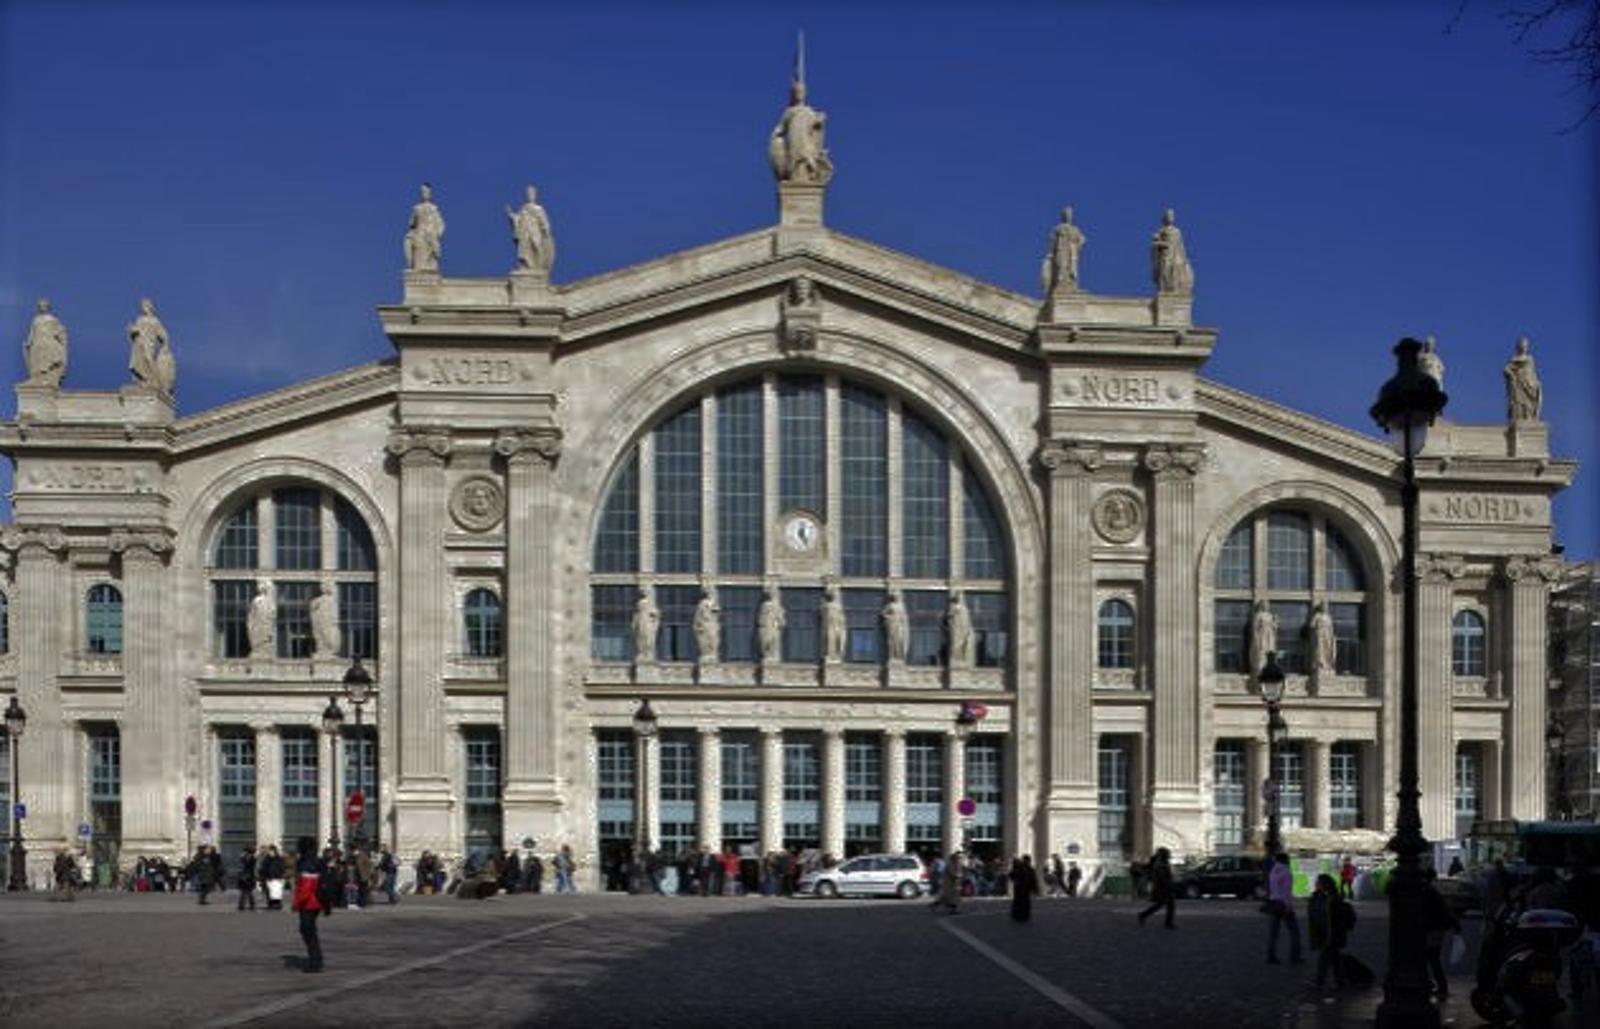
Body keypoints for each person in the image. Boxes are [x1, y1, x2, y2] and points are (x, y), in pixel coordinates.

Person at [1308, 873, 1355, 997]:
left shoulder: (1334, 899)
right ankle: (1340, 981)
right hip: (1325, 933)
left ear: (1325, 884)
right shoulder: (1319, 897)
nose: (1316, 884)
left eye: (1319, 882)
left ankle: (1320, 982)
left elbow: (1337, 920)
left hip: (1332, 934)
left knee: (1325, 957)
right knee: (1335, 958)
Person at [291, 837, 329, 973]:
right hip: (318, 900)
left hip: (308, 901)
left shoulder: (304, 862)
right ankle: (316, 958)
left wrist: (297, 903)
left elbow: (306, 885)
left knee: (307, 930)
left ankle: (315, 961)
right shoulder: (319, 861)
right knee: (309, 930)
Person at [1421, 869, 1461, 1000]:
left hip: (1433, 929)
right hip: (1438, 928)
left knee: (1430, 958)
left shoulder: (1426, 892)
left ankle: (1436, 985)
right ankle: (1438, 985)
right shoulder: (1431, 891)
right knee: (1432, 958)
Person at [1265, 852, 1303, 964]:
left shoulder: (1273, 871)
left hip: (1273, 902)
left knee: (1273, 933)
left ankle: (1271, 956)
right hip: (1283, 904)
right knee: (1294, 932)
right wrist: (1288, 906)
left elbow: (1271, 888)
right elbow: (1286, 892)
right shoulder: (1286, 872)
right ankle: (1294, 956)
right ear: (1286, 860)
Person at [1136, 848, 1176, 929]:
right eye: (1167, 854)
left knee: (1162, 904)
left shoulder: (1162, 862)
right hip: (1163, 887)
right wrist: (1169, 885)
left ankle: (1144, 915)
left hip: (1162, 886)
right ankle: (1168, 923)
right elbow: (1162, 877)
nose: (1168, 856)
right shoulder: (1160, 864)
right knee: (1168, 905)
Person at [1011, 856, 1041, 923]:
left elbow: (1033, 879)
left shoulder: (1026, 869)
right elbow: (1034, 880)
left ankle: (1020, 915)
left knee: (1021, 902)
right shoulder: (1024, 868)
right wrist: (1036, 889)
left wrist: (1035, 889)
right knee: (1022, 902)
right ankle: (1021, 915)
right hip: (1022, 888)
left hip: (1022, 888)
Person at [237, 847, 257, 911]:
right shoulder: (247, 858)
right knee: (246, 892)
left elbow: (249, 867)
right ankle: (247, 905)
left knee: (247, 892)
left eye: (245, 851)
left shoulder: (251, 859)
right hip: (246, 876)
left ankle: (245, 905)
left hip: (248, 876)